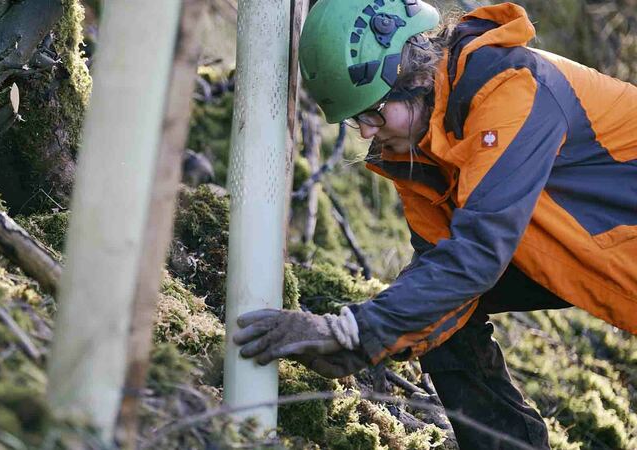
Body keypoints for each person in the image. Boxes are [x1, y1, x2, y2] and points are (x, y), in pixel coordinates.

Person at [232, 0, 637, 448]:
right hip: (593, 250)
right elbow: (440, 278)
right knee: (435, 305)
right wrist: (358, 343)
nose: (366, 132)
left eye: (373, 111)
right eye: (355, 119)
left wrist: (351, 329)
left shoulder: (508, 89)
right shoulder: (419, 148)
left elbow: (476, 256)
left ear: (415, 74)